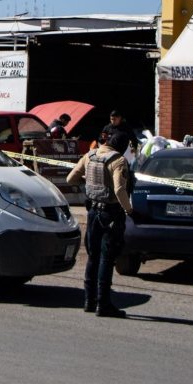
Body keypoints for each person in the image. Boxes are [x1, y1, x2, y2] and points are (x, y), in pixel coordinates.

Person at [67, 131, 136, 318]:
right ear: (121, 147)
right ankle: (103, 304)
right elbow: (120, 189)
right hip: (110, 214)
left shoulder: (89, 155)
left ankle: (89, 301)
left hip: (92, 212)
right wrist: (129, 210)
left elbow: (70, 178)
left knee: (92, 256)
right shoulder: (118, 161)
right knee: (107, 258)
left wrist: (89, 184)